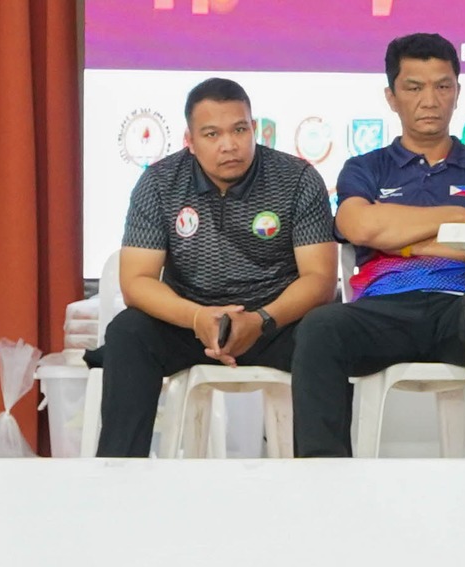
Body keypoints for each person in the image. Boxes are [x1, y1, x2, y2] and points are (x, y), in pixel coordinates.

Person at [291, 34, 465, 457]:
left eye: (443, 86)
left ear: (458, 92)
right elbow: (357, 225)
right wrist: (457, 218)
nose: (430, 100)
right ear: (391, 96)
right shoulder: (366, 167)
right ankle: (322, 474)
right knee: (318, 328)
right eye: (414, 87)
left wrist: (399, 238)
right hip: (383, 309)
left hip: (462, 305)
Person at [96, 77, 338, 457]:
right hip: (191, 324)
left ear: (254, 129)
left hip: (276, 324)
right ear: (189, 141)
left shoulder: (297, 179)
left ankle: (324, 482)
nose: (229, 145)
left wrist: (260, 320)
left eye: (240, 129)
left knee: (327, 333)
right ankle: (119, 480)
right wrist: (198, 318)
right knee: (128, 331)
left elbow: (320, 280)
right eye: (211, 134)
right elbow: (137, 282)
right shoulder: (159, 184)